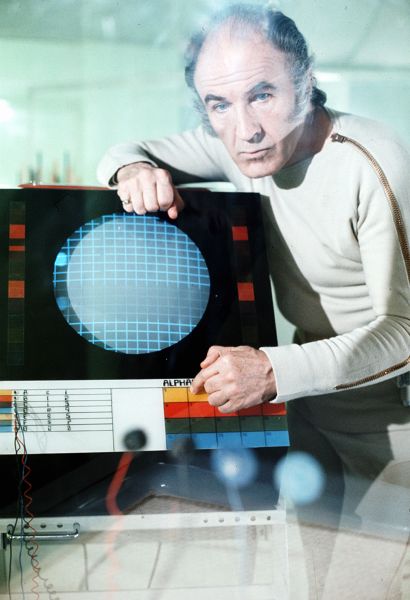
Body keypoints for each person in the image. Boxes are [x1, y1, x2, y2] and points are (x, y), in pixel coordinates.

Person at [97, 4, 410, 596]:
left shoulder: (375, 161)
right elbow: (124, 149)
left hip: (394, 422)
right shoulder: (238, 146)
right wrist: (133, 169)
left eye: (263, 94)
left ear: (306, 82)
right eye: (219, 104)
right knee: (307, 583)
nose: (246, 129)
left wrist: (271, 369)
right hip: (311, 406)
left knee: (361, 587)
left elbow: (406, 331)